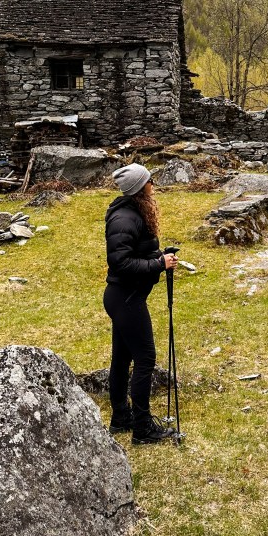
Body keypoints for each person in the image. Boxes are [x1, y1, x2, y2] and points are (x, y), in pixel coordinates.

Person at [103, 164, 179, 444]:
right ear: (139, 188)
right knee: (145, 359)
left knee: (122, 360)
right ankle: (143, 429)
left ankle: (122, 418)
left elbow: (136, 251)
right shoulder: (124, 218)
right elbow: (120, 263)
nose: (153, 185)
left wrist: (160, 256)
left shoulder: (133, 212)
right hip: (126, 298)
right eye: (149, 181)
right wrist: (159, 263)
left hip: (124, 297)